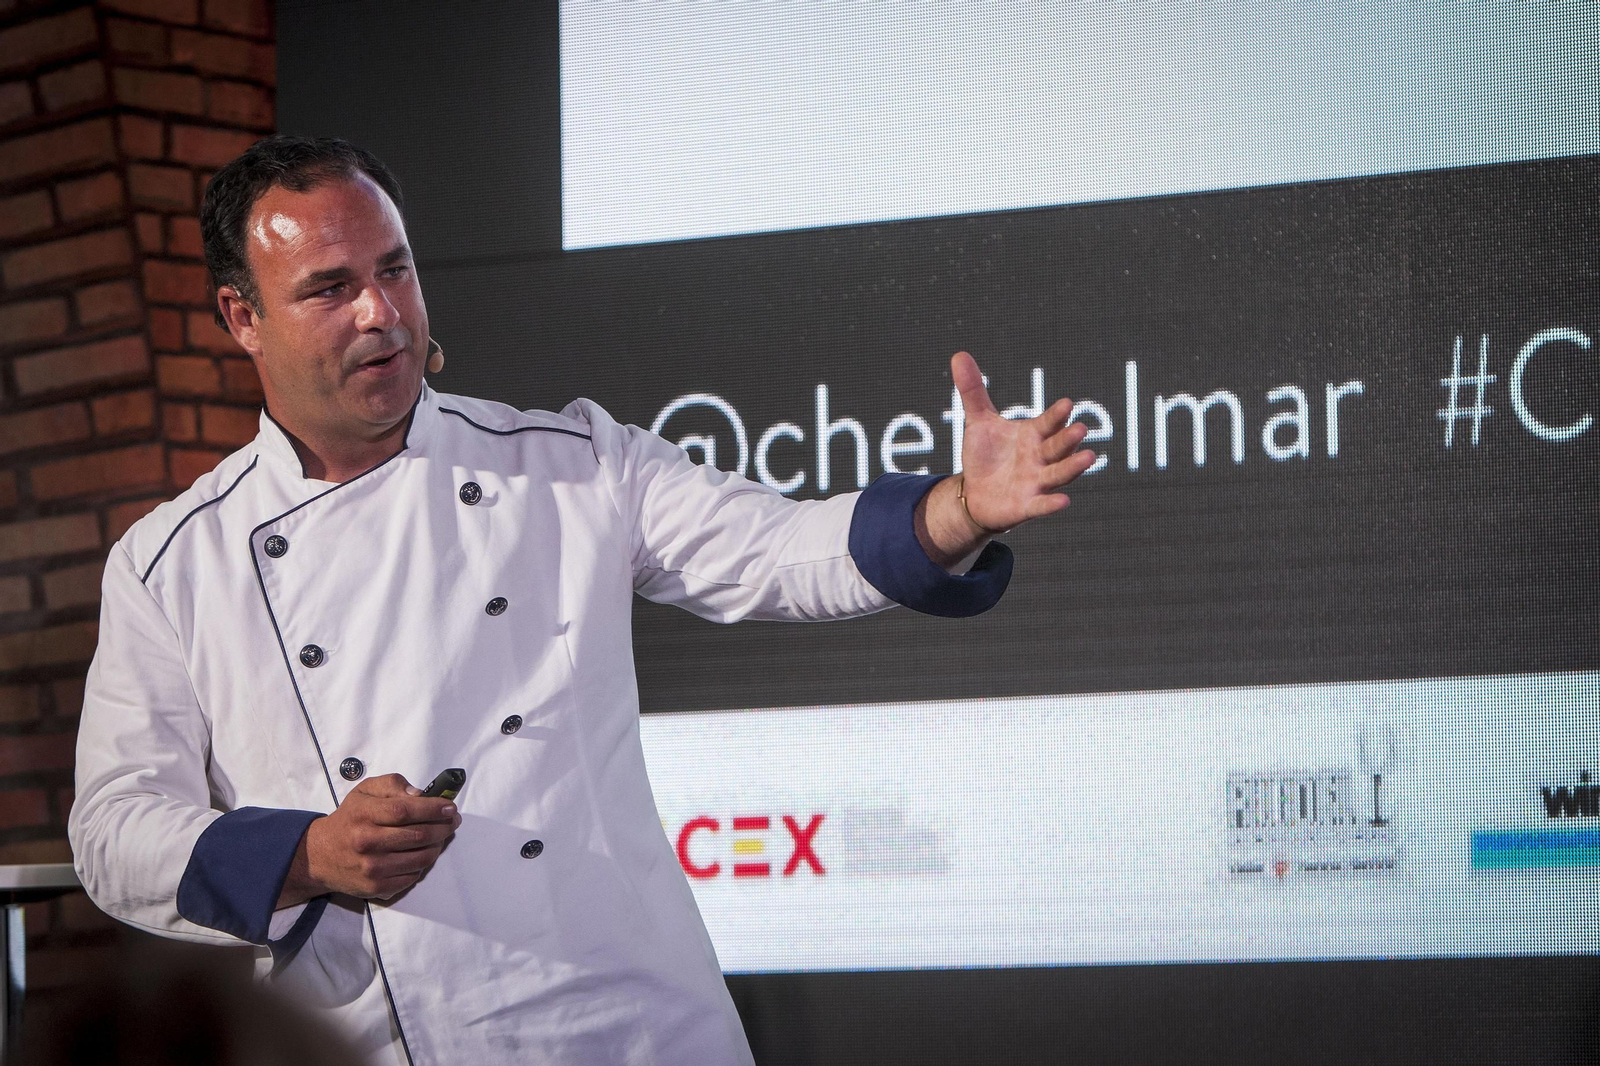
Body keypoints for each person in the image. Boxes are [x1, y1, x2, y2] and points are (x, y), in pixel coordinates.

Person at [68, 136, 1096, 1066]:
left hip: (629, 1025)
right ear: (240, 315)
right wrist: (307, 852)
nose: (381, 312)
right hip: (376, 1036)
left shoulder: (568, 465)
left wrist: (959, 507)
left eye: (394, 270)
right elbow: (114, 833)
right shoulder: (171, 563)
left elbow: (782, 552)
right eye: (330, 288)